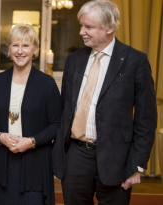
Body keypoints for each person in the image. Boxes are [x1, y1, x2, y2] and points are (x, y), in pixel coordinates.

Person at [52, 0, 157, 204]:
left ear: (110, 27)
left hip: (117, 157)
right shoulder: (73, 60)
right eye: (81, 26)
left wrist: (136, 165)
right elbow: (65, 108)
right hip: (76, 154)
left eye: (89, 27)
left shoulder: (135, 61)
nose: (82, 31)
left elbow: (146, 119)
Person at [0, 24, 62, 205]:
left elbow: (57, 124)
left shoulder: (47, 84)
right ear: (8, 50)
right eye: (15, 45)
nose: (20, 51)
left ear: (35, 50)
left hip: (35, 162)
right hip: (2, 161)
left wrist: (32, 141)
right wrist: (0, 136)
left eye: (26, 45)